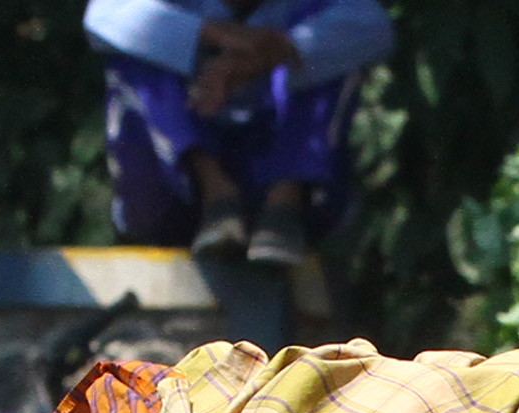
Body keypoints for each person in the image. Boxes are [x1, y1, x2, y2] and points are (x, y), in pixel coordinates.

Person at [84, 0, 390, 267]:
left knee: (334, 47)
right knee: (139, 45)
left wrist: (277, 51)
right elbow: (103, 15)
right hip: (174, 200)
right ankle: (216, 195)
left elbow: (374, 26)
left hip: (298, 202)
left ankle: (284, 204)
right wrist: (211, 33)